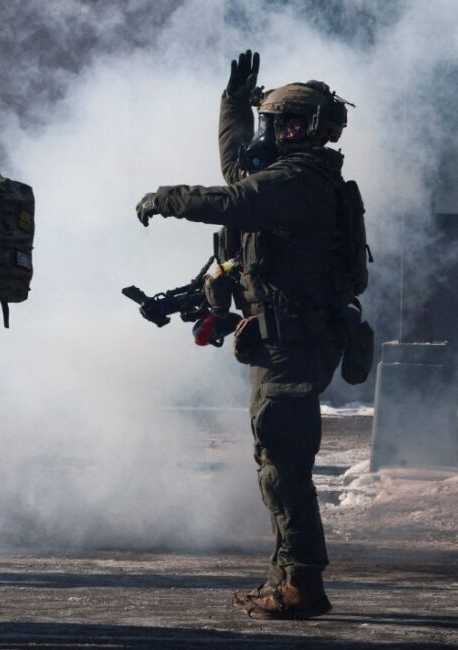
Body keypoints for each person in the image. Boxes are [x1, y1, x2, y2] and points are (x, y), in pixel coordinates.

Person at [135, 50, 362, 620]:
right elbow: (239, 172)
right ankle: (285, 577)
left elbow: (233, 198)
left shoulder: (299, 179)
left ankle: (302, 583)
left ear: (307, 129)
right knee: (276, 461)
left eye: (281, 123)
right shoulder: (291, 178)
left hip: (291, 345)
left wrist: (166, 198)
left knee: (284, 466)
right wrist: (234, 103)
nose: (271, 134)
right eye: (269, 122)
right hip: (285, 342)